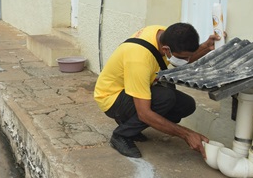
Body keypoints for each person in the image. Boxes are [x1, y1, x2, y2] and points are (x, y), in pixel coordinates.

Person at [94, 23, 219, 159]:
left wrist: (206, 47)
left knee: (186, 105)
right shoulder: (139, 60)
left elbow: (183, 58)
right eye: (183, 57)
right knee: (165, 98)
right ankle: (121, 135)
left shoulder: (163, 35)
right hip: (111, 98)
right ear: (166, 50)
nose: (187, 61)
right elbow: (144, 114)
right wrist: (187, 134)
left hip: (130, 88)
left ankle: (129, 123)